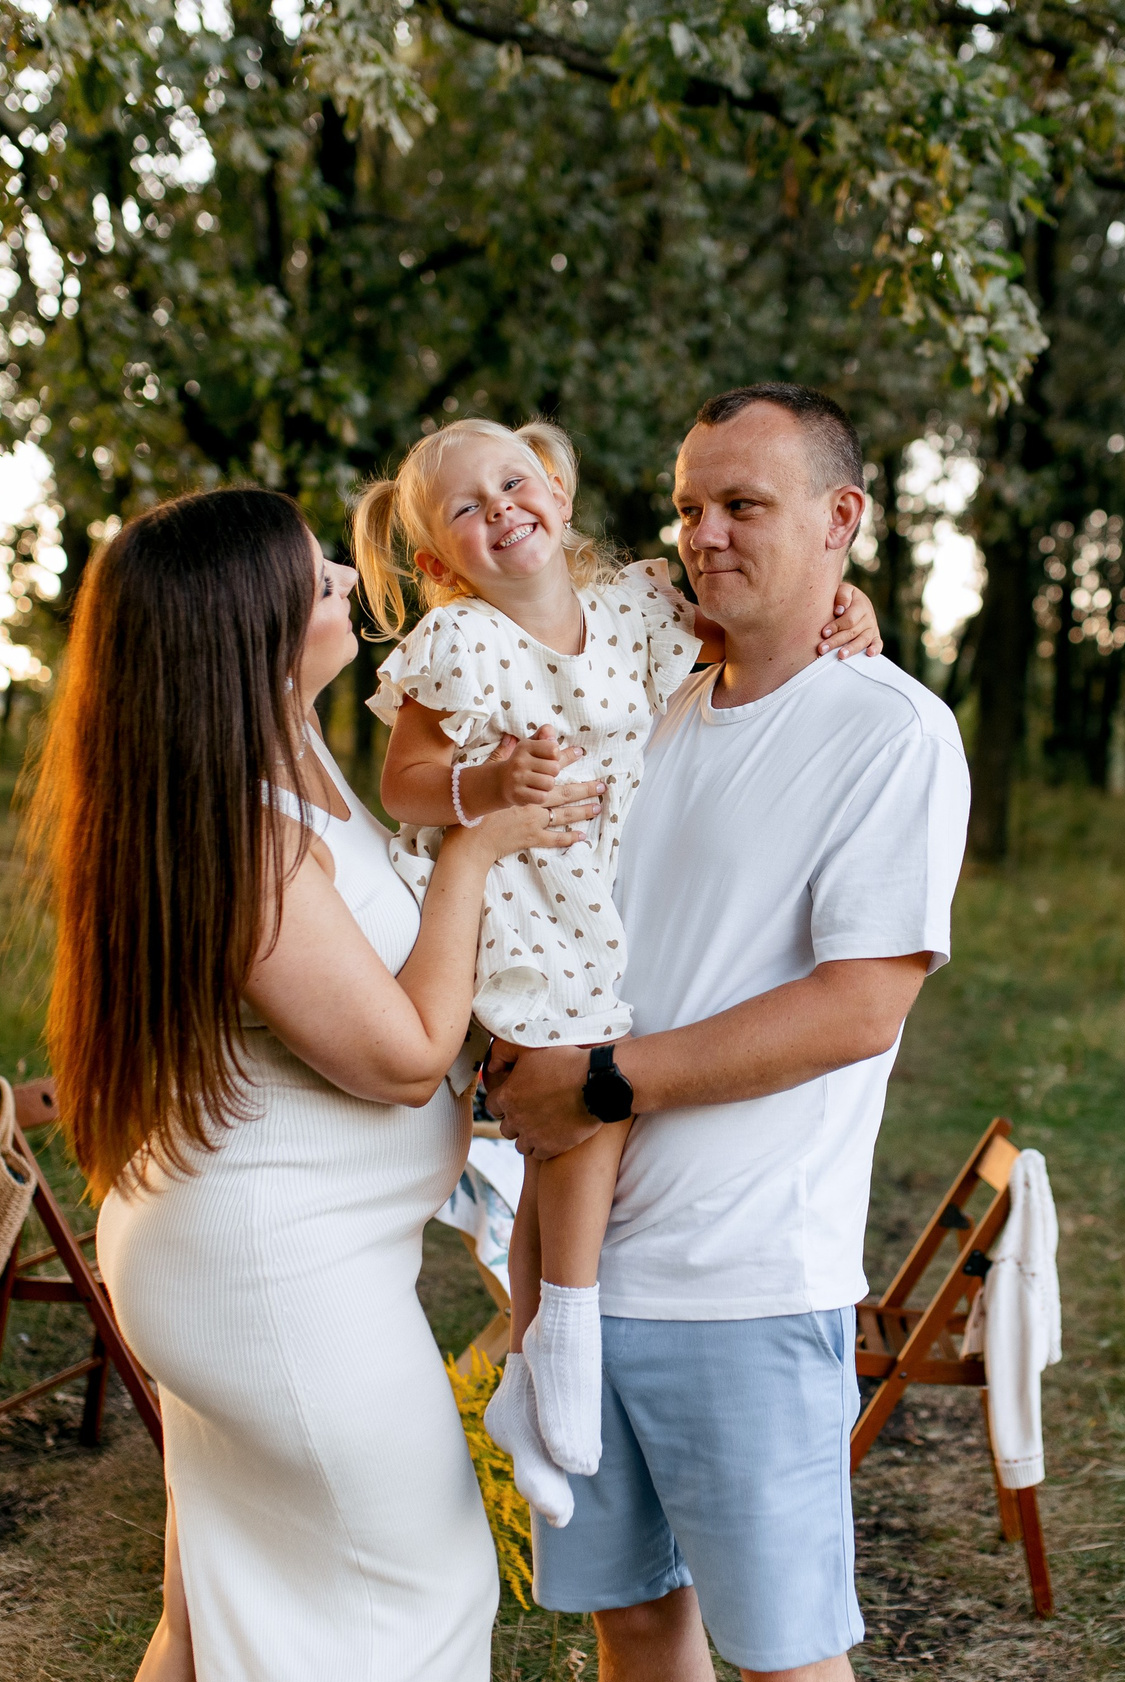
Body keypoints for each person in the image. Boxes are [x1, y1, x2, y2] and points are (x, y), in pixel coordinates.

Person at [28, 487, 602, 1682]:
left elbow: (573, 624)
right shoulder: (231, 824)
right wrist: (477, 849)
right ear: (254, 632)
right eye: (318, 578)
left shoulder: (279, 748)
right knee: (424, 1593)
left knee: (211, 1623)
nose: (347, 581)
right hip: (273, 1277)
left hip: (268, 1252)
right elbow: (398, 1059)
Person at [487, 384, 971, 1682]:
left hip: (745, 1284)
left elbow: (859, 1003)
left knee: (789, 1666)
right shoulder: (653, 710)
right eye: (690, 504)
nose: (706, 531)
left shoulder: (889, 732)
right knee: (634, 1633)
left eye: (745, 503)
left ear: (842, 517)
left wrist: (592, 1083)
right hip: (586, 1283)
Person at [351, 417, 878, 1521]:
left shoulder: (639, 604)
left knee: (557, 1147)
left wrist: (838, 604)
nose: (499, 509)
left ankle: (532, 1374)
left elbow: (745, 631)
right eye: (465, 509)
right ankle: (563, 1372)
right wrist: (484, 793)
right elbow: (403, 780)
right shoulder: (461, 645)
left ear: (553, 487)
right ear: (443, 563)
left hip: (601, 900)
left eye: (512, 482)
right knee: (585, 1123)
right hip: (515, 900)